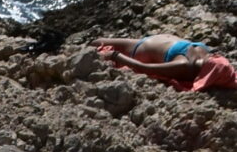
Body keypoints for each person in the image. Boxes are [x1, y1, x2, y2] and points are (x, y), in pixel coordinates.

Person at [97, 32, 237, 91]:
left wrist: (115, 56)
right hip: (151, 42)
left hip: (140, 49)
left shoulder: (184, 66)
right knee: (96, 42)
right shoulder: (207, 55)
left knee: (95, 43)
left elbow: (144, 67)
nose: (204, 61)